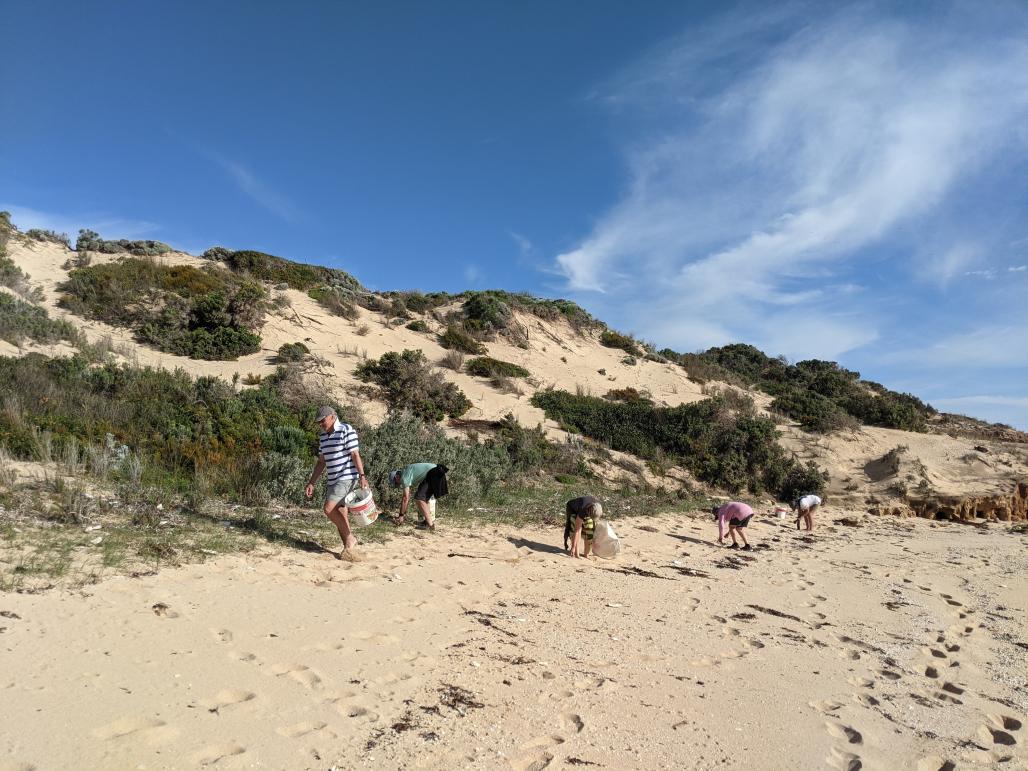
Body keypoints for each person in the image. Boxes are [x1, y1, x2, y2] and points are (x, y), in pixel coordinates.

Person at [304, 406, 369, 555]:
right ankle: (349, 550)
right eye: (318, 422)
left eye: (323, 420)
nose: (320, 424)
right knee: (341, 513)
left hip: (346, 477)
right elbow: (321, 462)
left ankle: (350, 539)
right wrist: (311, 482)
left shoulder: (347, 430)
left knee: (328, 509)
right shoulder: (322, 436)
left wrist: (362, 476)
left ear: (332, 417)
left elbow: (355, 455)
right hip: (332, 479)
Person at [391, 463, 448, 530]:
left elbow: (405, 498)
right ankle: (427, 522)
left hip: (434, 473)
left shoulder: (404, 477)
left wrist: (401, 515)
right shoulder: (406, 472)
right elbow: (407, 496)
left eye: (396, 482)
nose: (398, 484)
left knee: (419, 498)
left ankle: (430, 525)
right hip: (437, 471)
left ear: (396, 477)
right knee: (424, 499)